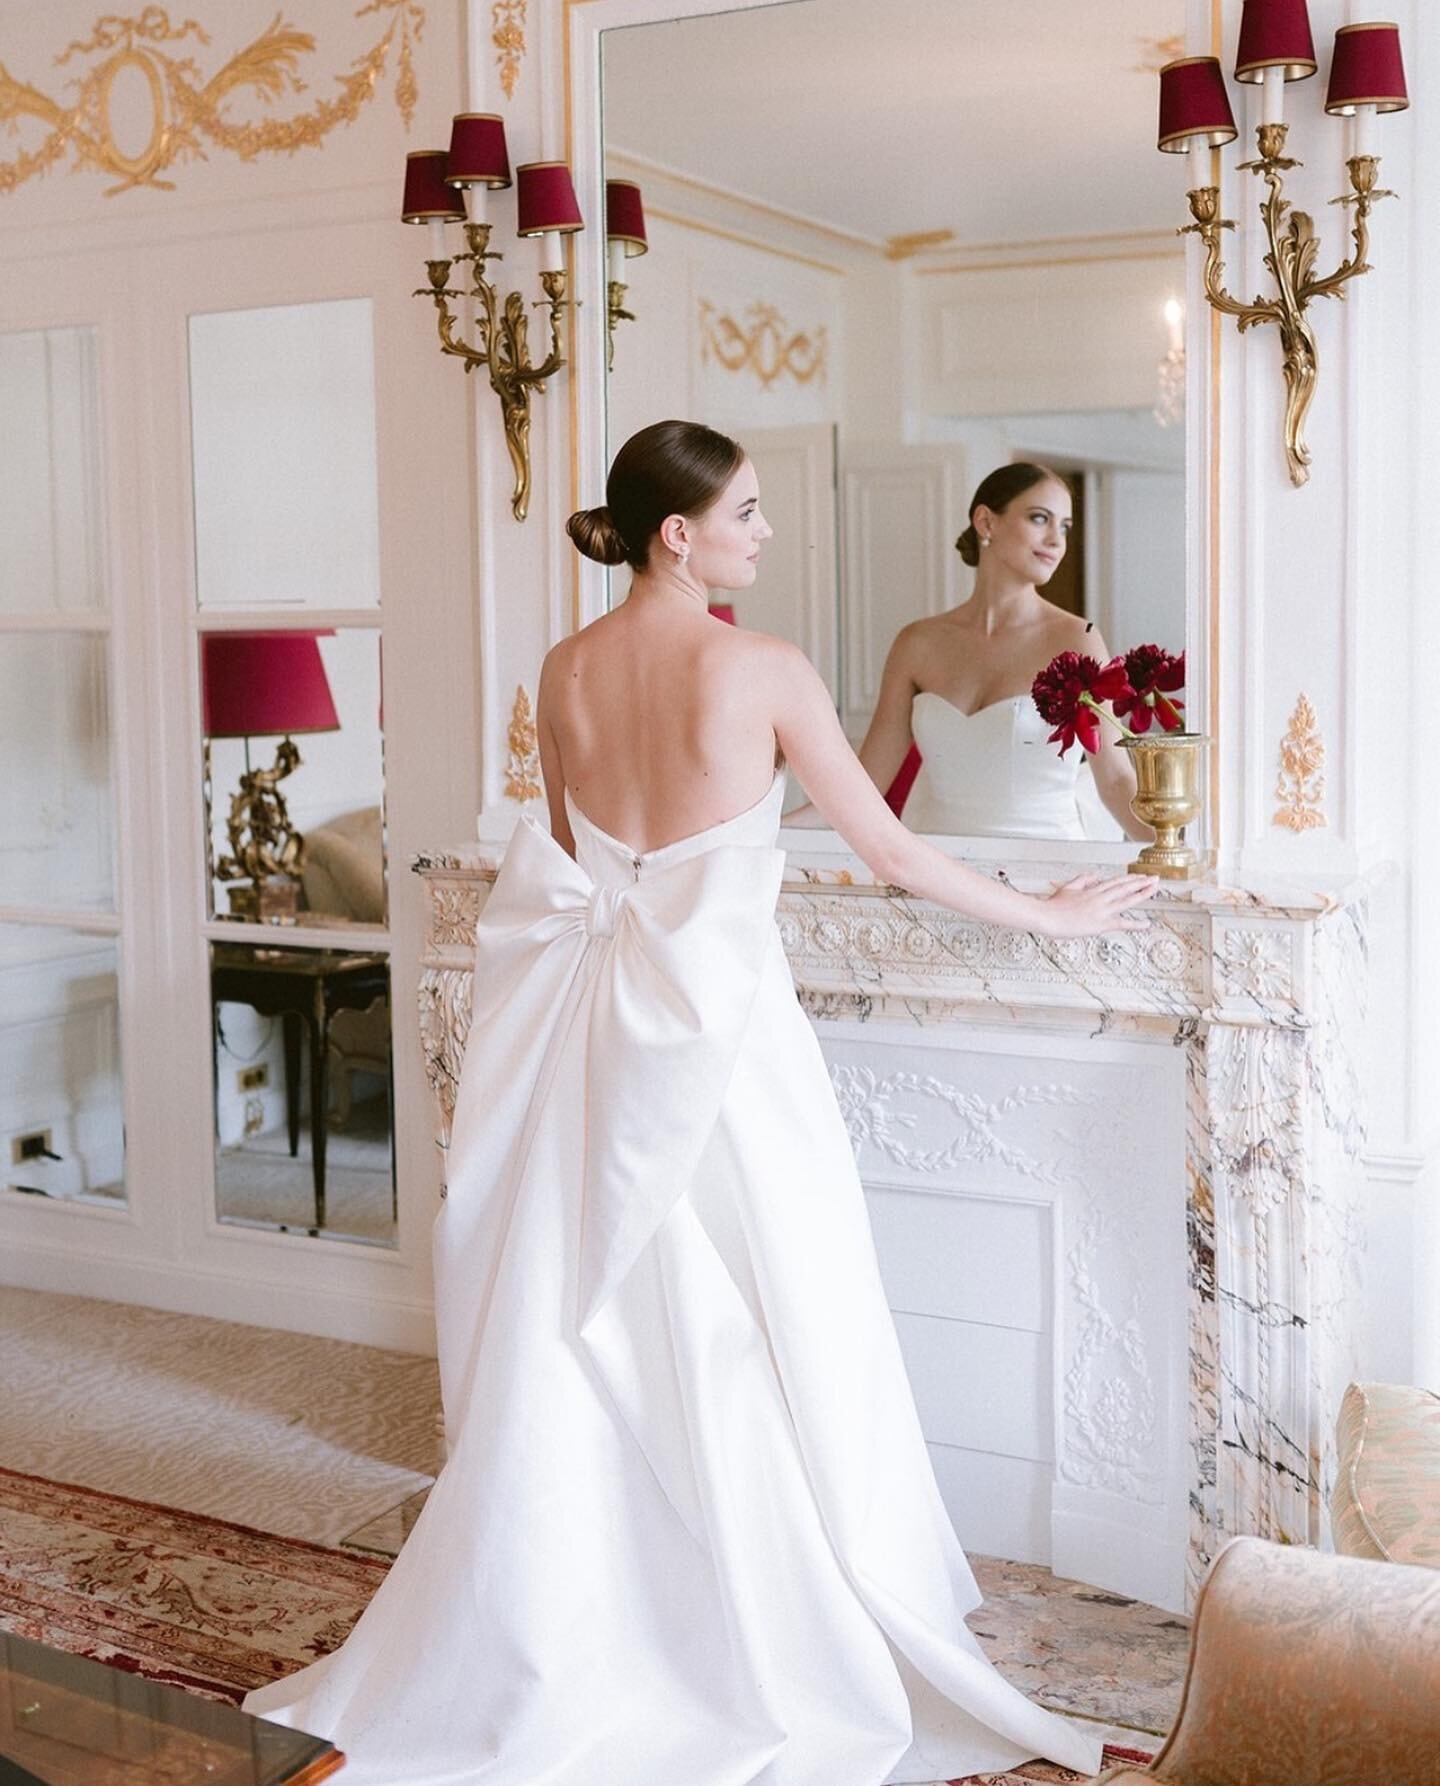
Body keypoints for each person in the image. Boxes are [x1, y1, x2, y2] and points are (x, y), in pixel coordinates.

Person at [242, 421, 1156, 1784]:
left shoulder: (563, 668)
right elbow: (891, 846)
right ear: (679, 532)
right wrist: (1050, 913)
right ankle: (748, 1624)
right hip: (722, 1041)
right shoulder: (760, 667)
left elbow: (571, 851)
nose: (765, 531)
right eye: (747, 510)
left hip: (585, 1031)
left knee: (595, 1314)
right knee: (763, 1314)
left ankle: (576, 1598)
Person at [845, 463, 1149, 841]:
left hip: (1044, 870)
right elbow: (861, 787)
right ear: (986, 522)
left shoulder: (1078, 639)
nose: (1057, 540)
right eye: (1040, 519)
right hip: (933, 871)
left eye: (1065, 527)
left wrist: (1179, 857)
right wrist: (768, 830)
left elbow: (1116, 778)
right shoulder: (917, 643)